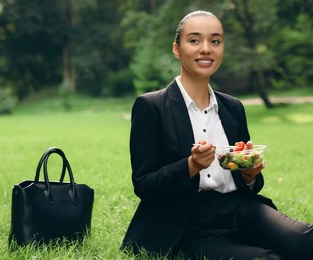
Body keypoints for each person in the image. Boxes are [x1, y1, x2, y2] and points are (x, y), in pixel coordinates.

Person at [121, 10, 313, 259]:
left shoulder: (233, 106)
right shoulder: (151, 106)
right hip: (188, 224)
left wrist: (250, 174)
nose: (206, 49)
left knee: (304, 239)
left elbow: (250, 185)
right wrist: (190, 165)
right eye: (194, 40)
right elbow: (145, 184)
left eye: (215, 41)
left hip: (240, 208)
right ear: (176, 49)